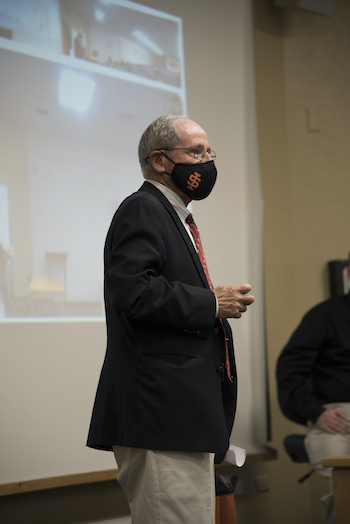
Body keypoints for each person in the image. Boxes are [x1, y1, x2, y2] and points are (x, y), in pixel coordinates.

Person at [87, 115, 255, 524]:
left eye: (209, 152)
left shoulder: (173, 215)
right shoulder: (143, 208)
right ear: (160, 161)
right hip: (160, 415)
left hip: (181, 417)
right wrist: (211, 304)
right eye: (196, 151)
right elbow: (133, 291)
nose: (207, 161)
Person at [276, 264, 350, 524]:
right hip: (338, 419)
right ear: (349, 273)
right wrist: (316, 413)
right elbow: (289, 373)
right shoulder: (324, 316)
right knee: (346, 489)